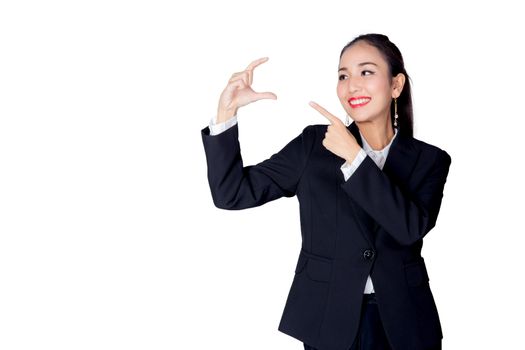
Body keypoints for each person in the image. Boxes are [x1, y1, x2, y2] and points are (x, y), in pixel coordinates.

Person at [201, 33, 451, 350]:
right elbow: (231, 193)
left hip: (405, 323)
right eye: (343, 75)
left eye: (367, 72)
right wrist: (226, 113)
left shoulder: (430, 160)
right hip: (328, 318)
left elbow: (408, 228)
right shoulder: (312, 145)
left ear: (396, 85)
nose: (352, 85)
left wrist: (356, 159)